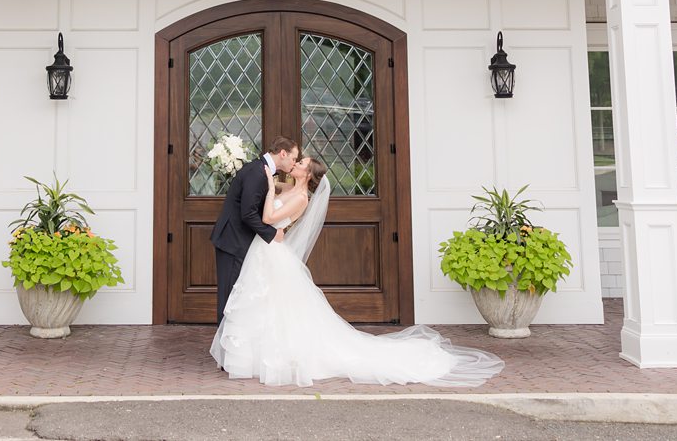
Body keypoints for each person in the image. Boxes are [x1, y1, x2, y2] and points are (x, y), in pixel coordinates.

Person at [210, 154, 504, 388]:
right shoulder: (290, 187)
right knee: (264, 306)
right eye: (297, 160)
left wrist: (272, 188)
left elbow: (269, 216)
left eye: (300, 163)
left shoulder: (301, 198)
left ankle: (275, 358)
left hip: (271, 252)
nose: (295, 164)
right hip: (264, 253)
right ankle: (254, 357)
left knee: (274, 306)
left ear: (308, 175)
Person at [209, 136, 300, 323]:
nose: (294, 163)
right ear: (283, 153)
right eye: (293, 158)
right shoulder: (257, 173)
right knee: (229, 296)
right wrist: (273, 233)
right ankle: (225, 347)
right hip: (233, 241)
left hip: (240, 240)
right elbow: (248, 213)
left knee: (237, 295)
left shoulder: (261, 170)